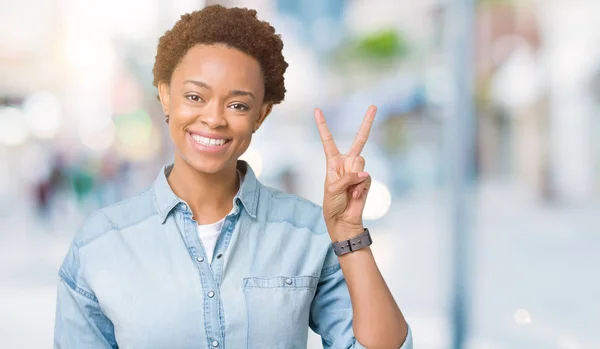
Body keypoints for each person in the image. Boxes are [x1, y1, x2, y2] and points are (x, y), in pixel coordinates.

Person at [53, 5, 412, 349]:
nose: (214, 119)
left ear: (261, 114)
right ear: (165, 96)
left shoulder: (309, 232)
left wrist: (348, 232)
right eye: (195, 96)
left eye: (238, 105)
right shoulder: (99, 245)